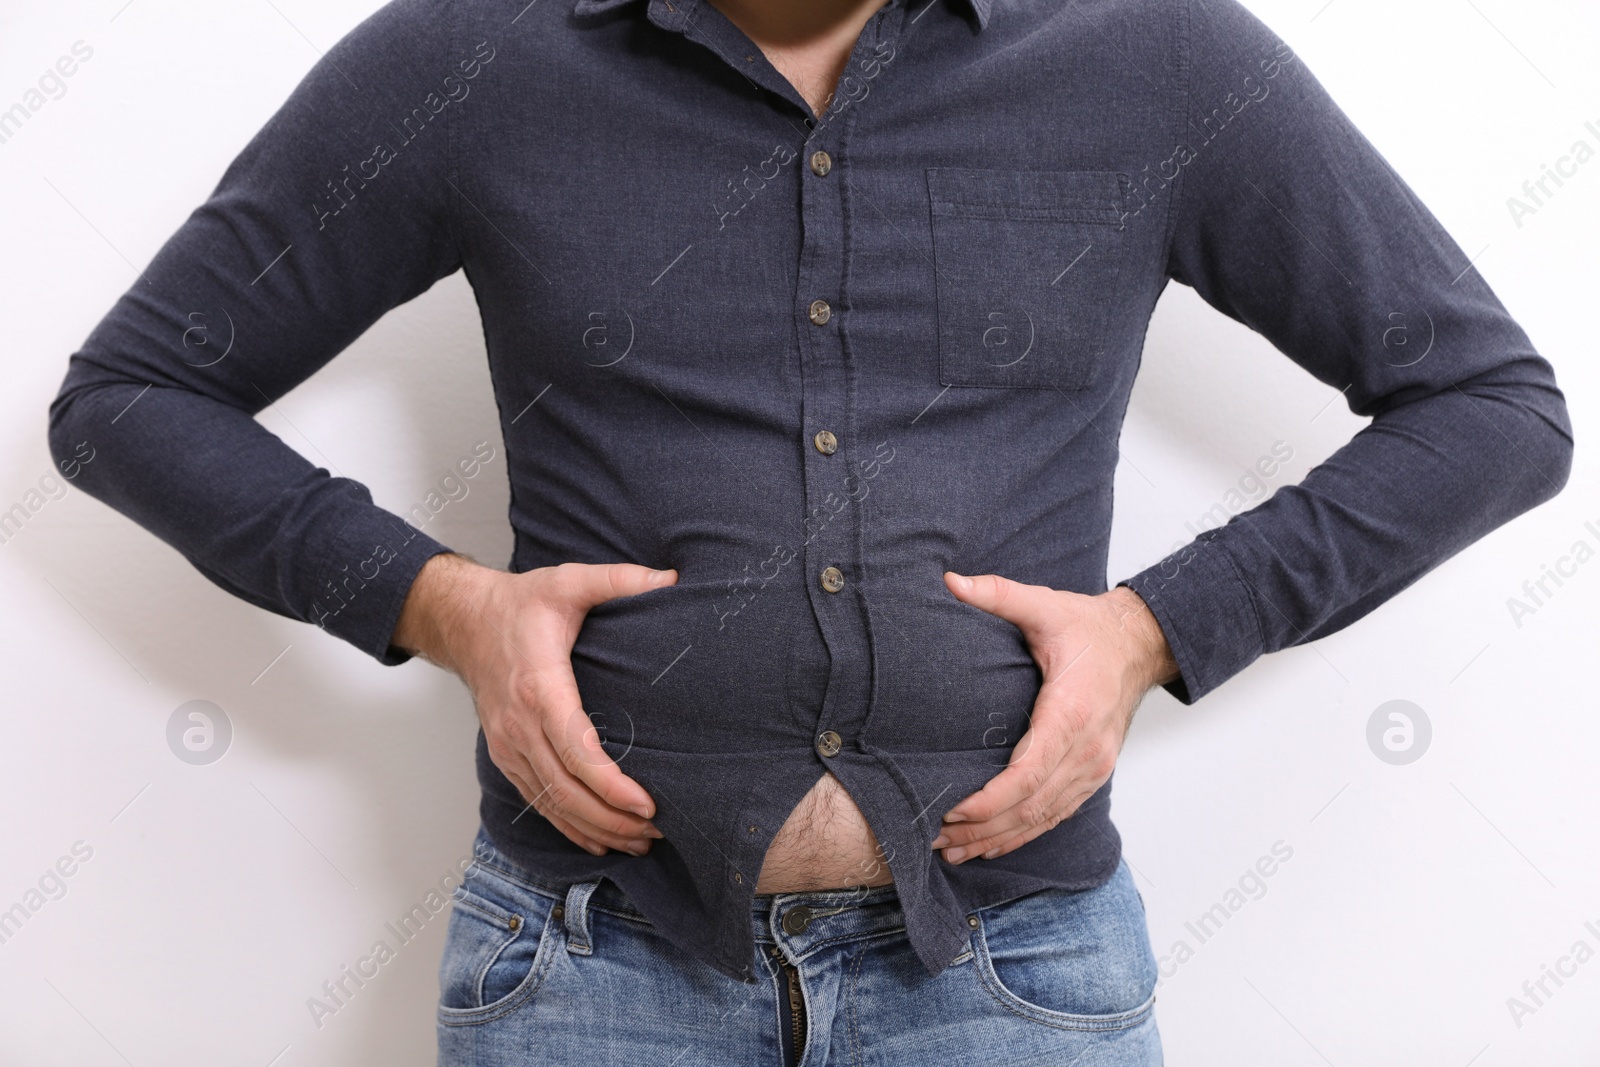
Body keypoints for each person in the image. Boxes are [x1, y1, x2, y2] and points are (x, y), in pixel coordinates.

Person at [47, 0, 1572, 1061]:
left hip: (1015, 975)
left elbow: (1492, 410)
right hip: (589, 970)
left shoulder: (1162, 58)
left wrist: (1159, 628)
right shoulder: (470, 58)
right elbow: (130, 396)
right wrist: (436, 604)